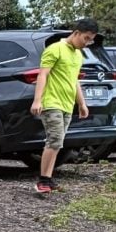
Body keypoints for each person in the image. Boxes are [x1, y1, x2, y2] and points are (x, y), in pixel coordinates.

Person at [30, 18, 98, 195]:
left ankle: (48, 177)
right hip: (52, 102)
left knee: (57, 143)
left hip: (67, 104)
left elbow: (74, 80)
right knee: (54, 140)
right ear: (76, 33)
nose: (87, 42)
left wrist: (82, 103)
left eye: (90, 39)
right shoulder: (55, 49)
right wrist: (37, 100)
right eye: (86, 38)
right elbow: (43, 75)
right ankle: (42, 181)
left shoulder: (77, 55)